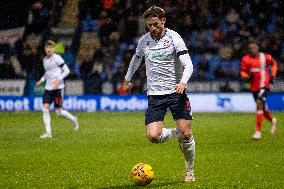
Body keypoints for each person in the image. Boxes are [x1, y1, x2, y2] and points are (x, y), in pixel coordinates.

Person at [123, 6, 195, 182]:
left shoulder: (174, 38)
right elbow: (136, 58)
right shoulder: (144, 41)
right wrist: (127, 78)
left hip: (175, 92)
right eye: (149, 26)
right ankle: (175, 132)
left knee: (186, 134)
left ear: (163, 21)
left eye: (155, 24)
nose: (153, 28)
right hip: (155, 95)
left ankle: (190, 170)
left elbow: (189, 64)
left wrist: (183, 82)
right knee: (153, 137)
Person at [36, 40, 79, 139]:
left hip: (58, 89)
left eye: (51, 48)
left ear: (54, 49)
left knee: (58, 112)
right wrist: (41, 80)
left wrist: (58, 80)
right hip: (48, 88)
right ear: (45, 49)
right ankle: (48, 133)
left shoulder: (57, 58)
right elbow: (48, 73)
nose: (49, 49)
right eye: (47, 48)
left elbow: (67, 70)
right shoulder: (45, 60)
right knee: (44, 109)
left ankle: (73, 119)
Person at [240, 42, 277, 140]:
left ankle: (258, 132)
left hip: (264, 85)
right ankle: (272, 120)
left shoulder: (265, 57)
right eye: (251, 48)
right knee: (262, 108)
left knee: (259, 104)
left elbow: (274, 64)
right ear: (248, 50)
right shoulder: (245, 59)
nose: (253, 50)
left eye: (255, 48)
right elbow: (243, 71)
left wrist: (273, 75)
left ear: (258, 48)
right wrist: (246, 77)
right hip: (254, 87)